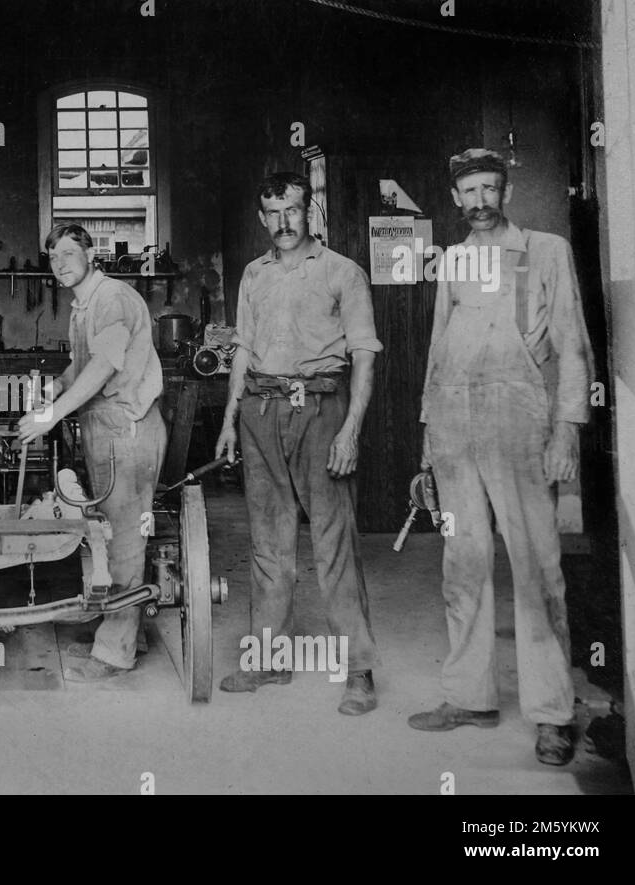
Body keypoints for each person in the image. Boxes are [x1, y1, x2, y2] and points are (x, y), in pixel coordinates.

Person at [409, 149, 595, 766]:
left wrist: (567, 428)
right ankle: (470, 695)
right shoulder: (453, 260)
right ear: (455, 199)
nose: (480, 200)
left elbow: (571, 344)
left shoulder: (545, 251)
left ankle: (552, 714)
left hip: (519, 423)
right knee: (462, 563)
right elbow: (438, 350)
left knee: (538, 569)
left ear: (506, 192)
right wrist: (428, 442)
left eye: (490, 187)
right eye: (469, 191)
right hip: (455, 431)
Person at [214, 172, 382, 715]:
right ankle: (270, 658)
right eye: (272, 212)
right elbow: (242, 349)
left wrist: (350, 429)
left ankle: (359, 670)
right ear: (261, 218)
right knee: (268, 543)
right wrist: (227, 420)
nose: (283, 222)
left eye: (292, 210)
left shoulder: (342, 272)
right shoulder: (253, 275)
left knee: (334, 544)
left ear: (310, 211)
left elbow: (364, 355)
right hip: (260, 411)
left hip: (321, 409)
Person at [16, 222, 166, 681]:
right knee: (113, 531)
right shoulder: (83, 306)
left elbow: (103, 367)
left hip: (127, 429)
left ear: (90, 254)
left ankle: (115, 653)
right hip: (103, 428)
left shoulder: (113, 298)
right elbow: (81, 365)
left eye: (68, 253)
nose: (59, 264)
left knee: (123, 538)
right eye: (53, 257)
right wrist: (55, 386)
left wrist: (51, 414)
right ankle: (126, 629)